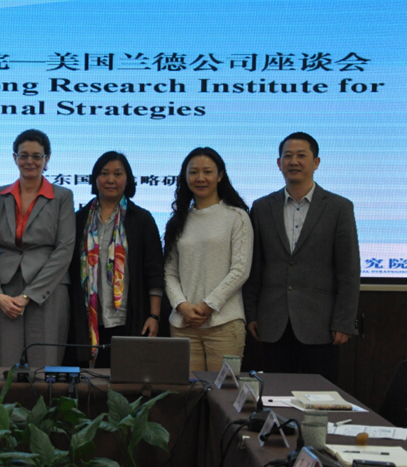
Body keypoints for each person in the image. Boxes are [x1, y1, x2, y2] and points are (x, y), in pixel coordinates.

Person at [244, 132, 360, 383]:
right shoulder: (262, 207)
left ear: (316, 162)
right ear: (279, 163)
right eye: (287, 156)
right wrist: (251, 314)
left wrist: (344, 321)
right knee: (275, 395)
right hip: (273, 322)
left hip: (321, 324)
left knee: (318, 397)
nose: (293, 162)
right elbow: (255, 267)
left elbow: (349, 270)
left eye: (301, 156)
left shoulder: (339, 207)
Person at [0, 129, 75, 368]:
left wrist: (28, 296)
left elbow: (64, 250)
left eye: (36, 156)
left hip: (48, 291)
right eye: (23, 155)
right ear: (15, 158)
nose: (29, 161)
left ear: (47, 159)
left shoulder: (62, 196)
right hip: (5, 292)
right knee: (6, 368)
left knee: (44, 369)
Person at [68, 151, 164, 368]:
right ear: (95, 179)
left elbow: (154, 272)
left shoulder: (141, 219)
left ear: (127, 179)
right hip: (88, 319)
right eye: (104, 173)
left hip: (129, 319)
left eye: (118, 174)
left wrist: (154, 316)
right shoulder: (79, 219)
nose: (110, 179)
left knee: (126, 378)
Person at [163, 147, 253, 372]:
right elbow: (169, 272)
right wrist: (182, 306)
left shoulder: (237, 217)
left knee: (222, 391)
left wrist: (207, 306)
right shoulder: (178, 221)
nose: (200, 178)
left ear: (220, 175)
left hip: (224, 324)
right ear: (185, 177)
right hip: (183, 325)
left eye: (207, 172)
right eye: (193, 172)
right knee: (187, 390)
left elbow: (240, 270)